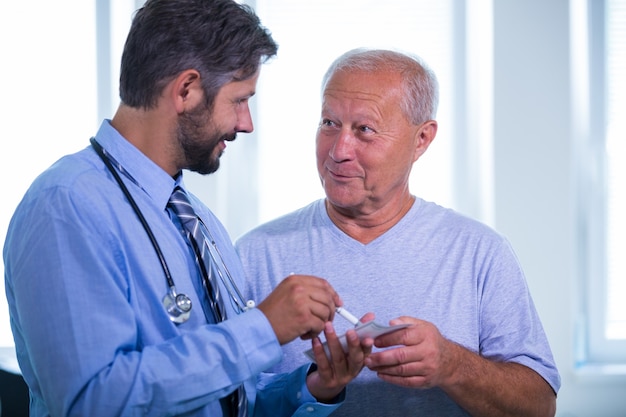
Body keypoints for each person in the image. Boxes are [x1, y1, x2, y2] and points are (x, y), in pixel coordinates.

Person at [2, 2, 370, 416]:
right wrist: (263, 328)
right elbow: (94, 401)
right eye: (239, 100)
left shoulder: (199, 221)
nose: (246, 123)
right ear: (186, 90)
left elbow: (224, 399)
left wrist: (310, 388)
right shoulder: (66, 207)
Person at [235, 48, 561, 416]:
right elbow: (221, 402)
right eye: (329, 123)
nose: (339, 150)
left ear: (421, 139)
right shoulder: (254, 254)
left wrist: (452, 365)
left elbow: (539, 407)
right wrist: (315, 387)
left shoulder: (480, 253)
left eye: (365, 130)